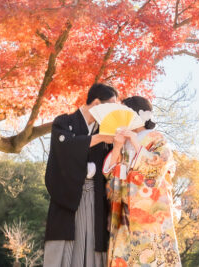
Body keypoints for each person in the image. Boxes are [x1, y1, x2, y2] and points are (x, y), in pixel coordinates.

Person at [44, 83, 119, 267]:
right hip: (69, 197)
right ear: (95, 103)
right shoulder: (63, 123)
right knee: (67, 248)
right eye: (111, 105)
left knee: (93, 245)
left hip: (96, 198)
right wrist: (100, 138)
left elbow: (110, 167)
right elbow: (65, 148)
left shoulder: (104, 130)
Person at [103, 96, 181, 267]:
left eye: (126, 113)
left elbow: (159, 164)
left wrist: (135, 143)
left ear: (139, 115)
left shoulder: (155, 138)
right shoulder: (123, 143)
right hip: (125, 210)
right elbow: (110, 175)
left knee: (150, 256)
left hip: (150, 211)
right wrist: (117, 146)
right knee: (125, 256)